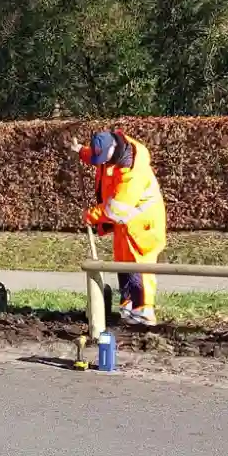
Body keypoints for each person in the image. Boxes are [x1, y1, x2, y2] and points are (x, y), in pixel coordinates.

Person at [72, 129, 167, 326]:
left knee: (139, 265)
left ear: (113, 149)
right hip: (126, 224)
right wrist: (81, 151)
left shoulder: (132, 171)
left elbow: (117, 209)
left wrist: (91, 215)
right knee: (122, 262)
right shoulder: (110, 151)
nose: (101, 163)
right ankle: (129, 306)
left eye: (102, 158)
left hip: (143, 225)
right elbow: (96, 154)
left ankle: (144, 311)